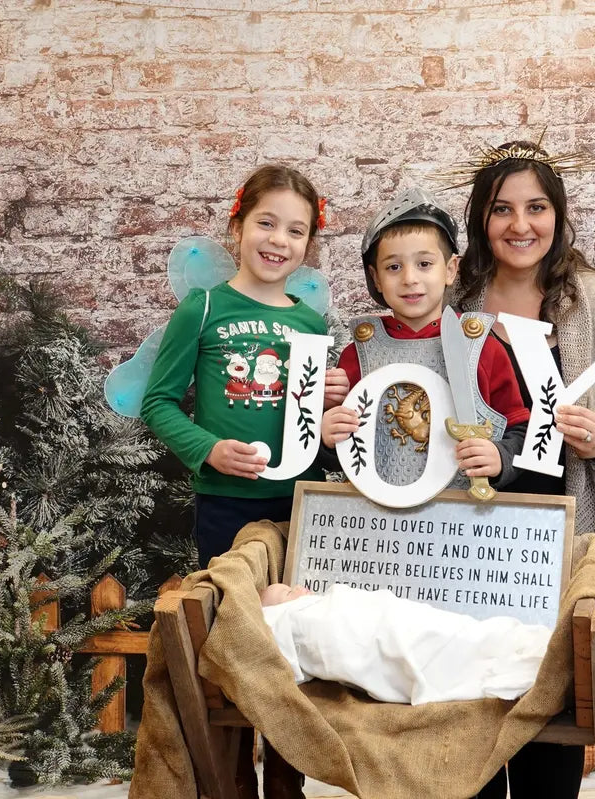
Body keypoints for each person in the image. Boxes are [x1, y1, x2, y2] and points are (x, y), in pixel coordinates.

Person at [453, 140, 595, 799]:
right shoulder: (456, 301)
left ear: (558, 214)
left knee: (557, 718)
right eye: (503, 209)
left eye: (536, 207)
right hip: (479, 543)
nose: (521, 224)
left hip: (572, 540)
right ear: (482, 221)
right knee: (475, 713)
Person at [140, 163, 341, 799]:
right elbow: (160, 403)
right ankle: (231, 783)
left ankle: (288, 784)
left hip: (298, 509)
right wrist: (209, 449)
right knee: (232, 648)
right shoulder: (202, 309)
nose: (278, 240)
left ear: (309, 244)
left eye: (296, 230)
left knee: (292, 650)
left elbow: (312, 419)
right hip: (227, 508)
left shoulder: (311, 324)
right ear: (237, 226)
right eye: (266, 222)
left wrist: (337, 414)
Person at [319, 186, 529, 490]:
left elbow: (519, 429)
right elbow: (346, 452)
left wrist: (500, 457)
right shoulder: (358, 354)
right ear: (376, 277)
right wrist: (327, 439)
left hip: (462, 520)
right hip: (377, 519)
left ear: (450, 269)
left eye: (424, 264)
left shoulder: (480, 348)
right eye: (393, 267)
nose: (409, 279)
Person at [260, 583, 552, 705]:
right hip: (377, 635)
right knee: (436, 642)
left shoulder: (333, 601)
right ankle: (508, 649)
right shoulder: (299, 621)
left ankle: (503, 643)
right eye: (288, 593)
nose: (299, 587)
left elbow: (379, 610)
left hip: (389, 618)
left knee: (440, 626)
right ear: (280, 612)